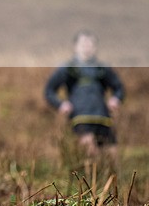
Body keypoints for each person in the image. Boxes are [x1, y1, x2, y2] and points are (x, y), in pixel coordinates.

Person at [44, 29, 124, 167]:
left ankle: (110, 179)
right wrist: (61, 104)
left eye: (90, 44)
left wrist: (116, 99)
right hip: (80, 117)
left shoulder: (102, 68)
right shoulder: (68, 68)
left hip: (103, 117)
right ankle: (89, 179)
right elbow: (49, 90)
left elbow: (119, 88)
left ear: (95, 47)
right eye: (83, 44)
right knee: (89, 155)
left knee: (112, 156)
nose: (87, 47)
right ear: (75, 47)